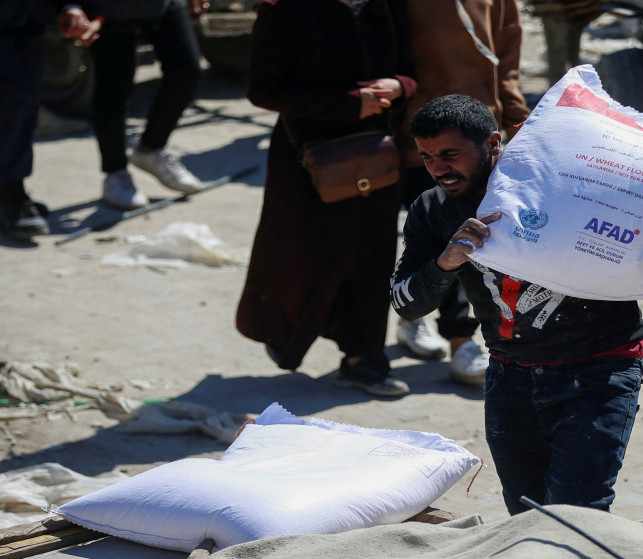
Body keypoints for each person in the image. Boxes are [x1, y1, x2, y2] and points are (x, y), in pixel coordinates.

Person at [390, 94, 643, 513]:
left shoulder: (566, 186)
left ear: (493, 143)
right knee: (526, 513)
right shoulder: (432, 209)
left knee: (578, 510)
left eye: (450, 155)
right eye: (427, 157)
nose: (438, 169)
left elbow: (636, 269)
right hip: (509, 375)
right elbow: (406, 304)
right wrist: (447, 261)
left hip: (599, 369)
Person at [236, 0, 416, 397]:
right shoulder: (283, 10)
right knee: (307, 256)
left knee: (373, 259)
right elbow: (263, 89)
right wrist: (348, 103)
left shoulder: (385, 6)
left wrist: (399, 86)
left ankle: (363, 361)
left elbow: (411, 70)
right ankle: (285, 332)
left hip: (375, 156)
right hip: (306, 160)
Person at [394, 0, 532, 384]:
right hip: (416, 127)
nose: (437, 167)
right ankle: (440, 329)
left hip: (478, 131)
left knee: (480, 242)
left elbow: (506, 53)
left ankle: (463, 341)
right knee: (444, 242)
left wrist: (515, 114)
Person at [88, 0, 206, 210]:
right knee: (114, 86)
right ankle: (115, 172)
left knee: (187, 70)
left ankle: (151, 148)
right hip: (110, 8)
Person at [0, 1, 100, 242]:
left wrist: (68, 6)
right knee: (13, 98)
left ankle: (11, 188)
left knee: (25, 102)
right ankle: (10, 193)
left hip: (28, 17)